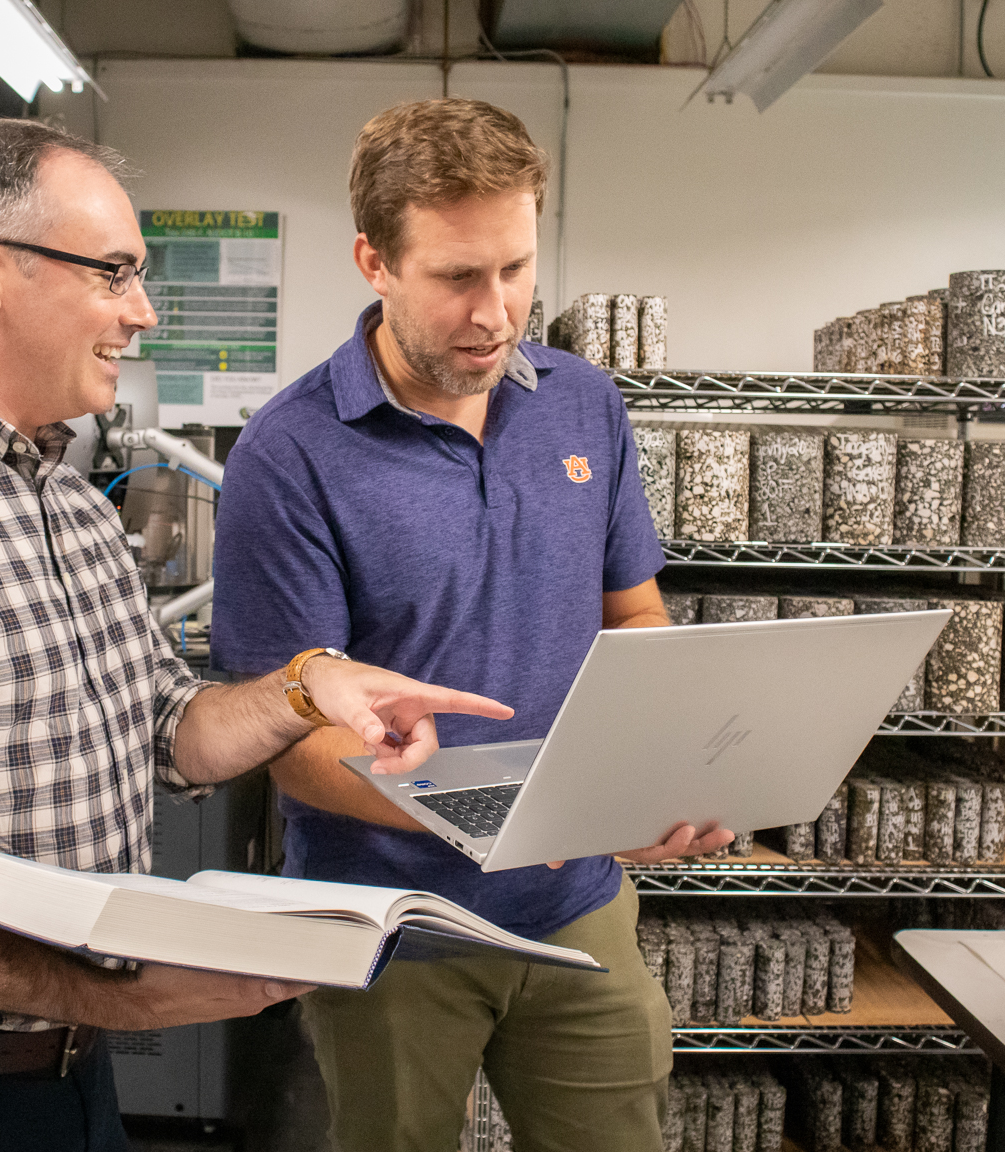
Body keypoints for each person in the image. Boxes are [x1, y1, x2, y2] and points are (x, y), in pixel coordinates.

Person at [0, 117, 513, 1152]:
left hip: (65, 1079)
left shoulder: (67, 502)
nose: (139, 312)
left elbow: (163, 729)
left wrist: (308, 687)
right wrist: (115, 999)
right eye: (112, 274)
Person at [210, 98, 733, 1152]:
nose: (493, 313)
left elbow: (629, 611)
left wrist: (661, 760)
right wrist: (523, 810)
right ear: (374, 260)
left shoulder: (583, 406)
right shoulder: (291, 453)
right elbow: (293, 743)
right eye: (456, 277)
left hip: (575, 904)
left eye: (514, 269)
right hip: (390, 926)